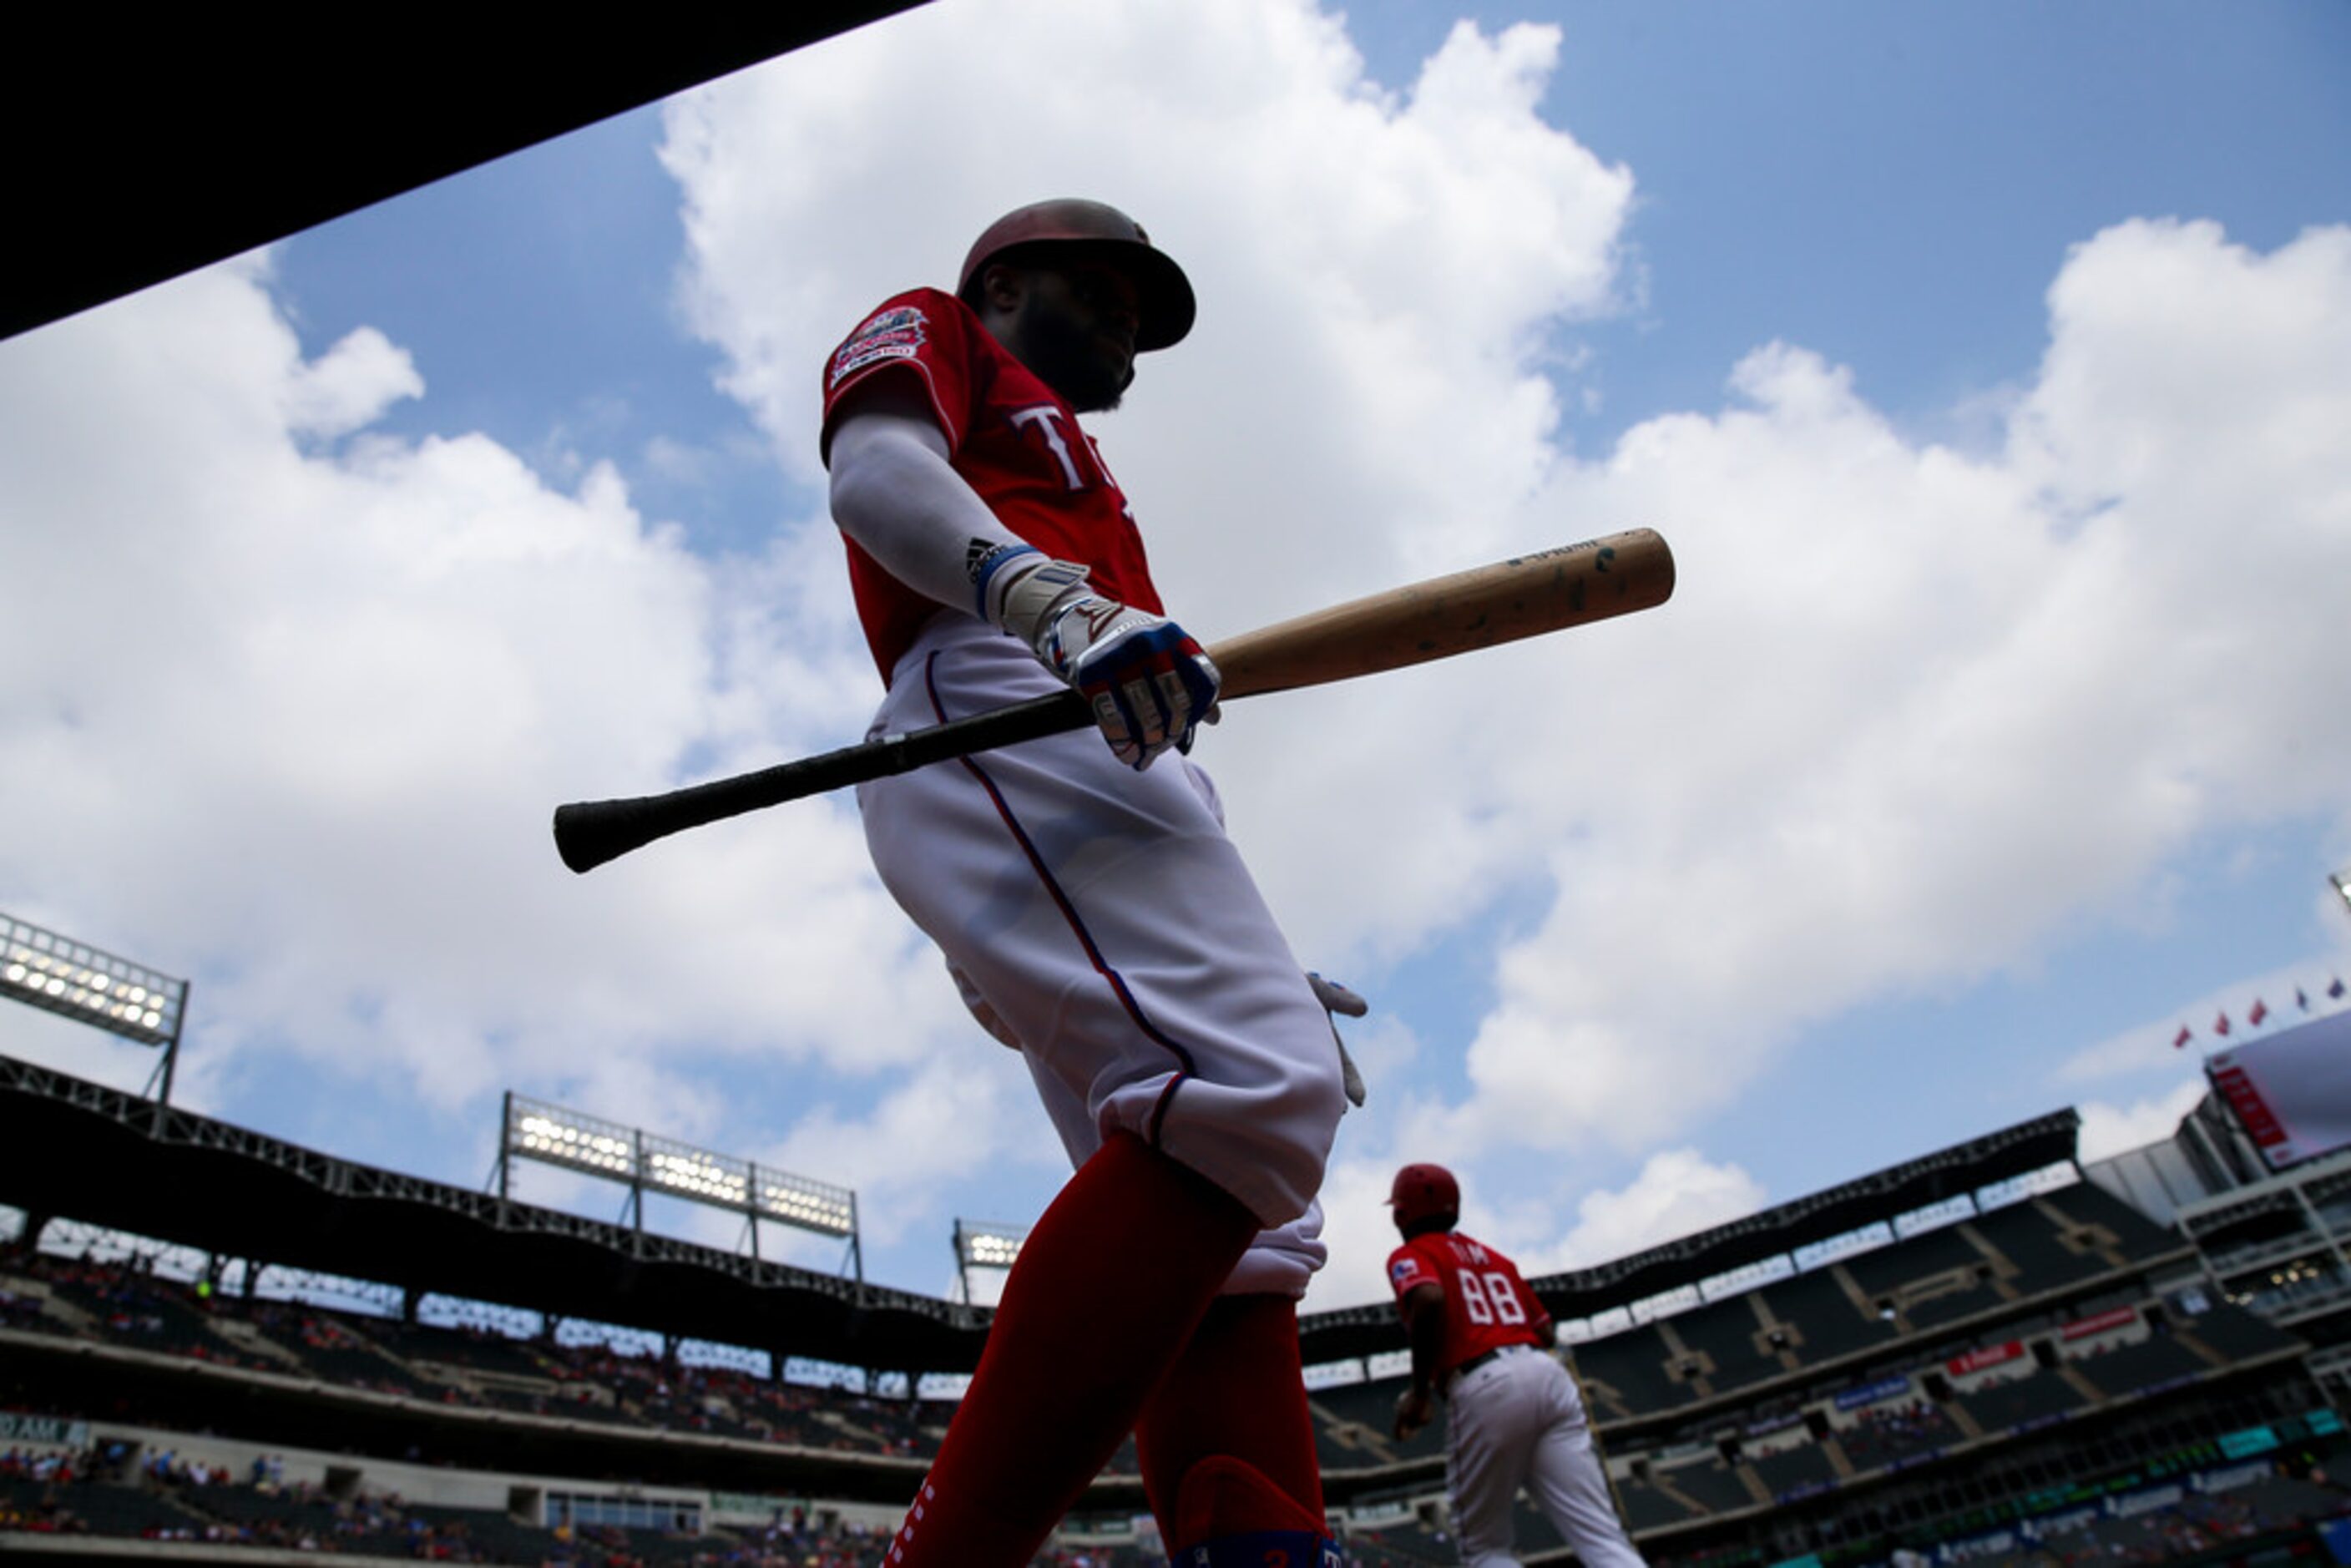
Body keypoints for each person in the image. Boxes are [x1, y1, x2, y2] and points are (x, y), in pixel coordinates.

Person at [820, 199, 1352, 1567]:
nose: (1130, 327)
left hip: (1086, 736)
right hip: (1000, 684)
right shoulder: (938, 327)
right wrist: (1041, 597)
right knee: (1247, 1091)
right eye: (1104, 293)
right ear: (1004, 280)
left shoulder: (1096, 475)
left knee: (1241, 1226)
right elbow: (874, 469)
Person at [1385, 1163, 1646, 1568]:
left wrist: (1420, 1392)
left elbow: (1429, 1298)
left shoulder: (1410, 1254)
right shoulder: (1496, 1259)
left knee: (1484, 1550)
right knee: (1602, 1537)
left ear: (1400, 1214)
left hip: (1483, 1381)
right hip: (1544, 1372)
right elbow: (1545, 1332)